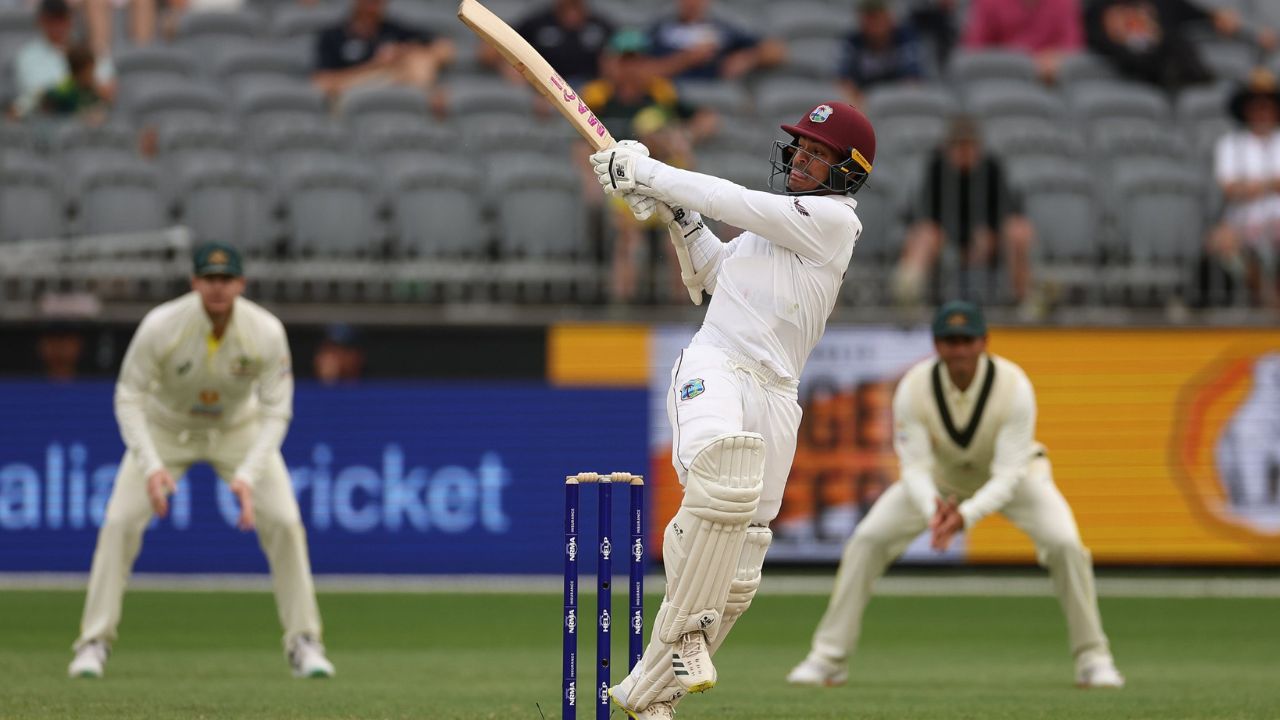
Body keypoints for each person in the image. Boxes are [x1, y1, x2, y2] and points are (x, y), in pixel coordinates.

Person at [589, 100, 875, 718]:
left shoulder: (831, 224)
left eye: (818, 153)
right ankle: (685, 629)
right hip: (715, 363)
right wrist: (677, 215)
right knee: (722, 484)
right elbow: (715, 272)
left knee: (744, 560)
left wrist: (648, 172)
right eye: (801, 147)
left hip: (777, 392)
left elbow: (733, 200)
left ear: (848, 171)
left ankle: (648, 698)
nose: (802, 158)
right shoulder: (778, 230)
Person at [786, 301, 1125, 690]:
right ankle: (828, 659)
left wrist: (965, 516)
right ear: (937, 345)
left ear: (983, 343)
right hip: (942, 482)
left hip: (1019, 478)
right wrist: (935, 507)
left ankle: (1094, 659)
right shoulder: (914, 386)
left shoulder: (1014, 386)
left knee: (1065, 544)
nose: (959, 350)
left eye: (967, 340)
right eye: (950, 341)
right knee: (867, 540)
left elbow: (1009, 472)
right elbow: (913, 467)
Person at [67, 242, 334, 680]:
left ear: (241, 284)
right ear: (194, 283)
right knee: (118, 523)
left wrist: (248, 474)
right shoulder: (161, 325)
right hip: (165, 428)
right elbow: (129, 396)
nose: (217, 288)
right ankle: (93, 643)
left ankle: (304, 642)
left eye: (226, 279)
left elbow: (276, 410)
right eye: (209, 279)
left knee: (285, 521)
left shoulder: (265, 331)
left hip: (237, 430)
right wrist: (151, 466)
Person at [583, 28, 718, 303]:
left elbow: (707, 119)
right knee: (628, 242)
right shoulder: (598, 96)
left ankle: (682, 309)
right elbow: (581, 142)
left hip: (663, 180)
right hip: (623, 184)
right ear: (613, 62)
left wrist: (685, 137)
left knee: (679, 245)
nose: (632, 67)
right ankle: (622, 309)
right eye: (625, 60)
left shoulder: (660, 93)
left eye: (637, 60)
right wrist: (592, 179)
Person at [894, 115, 1034, 306]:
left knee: (1019, 230)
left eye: (970, 146)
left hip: (988, 246)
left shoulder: (992, 168)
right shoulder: (937, 168)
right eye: (959, 146)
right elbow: (923, 215)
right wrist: (950, 241)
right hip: (945, 242)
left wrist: (990, 236)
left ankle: (1024, 303)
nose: (965, 152)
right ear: (949, 148)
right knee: (923, 235)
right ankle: (907, 300)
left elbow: (1009, 211)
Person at [1207, 69, 1280, 306]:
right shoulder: (1231, 144)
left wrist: (1252, 186)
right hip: (1242, 221)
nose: (1262, 112)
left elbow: (1243, 187)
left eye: (1267, 105)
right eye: (1256, 106)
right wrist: (1272, 184)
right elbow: (1230, 188)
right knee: (1221, 242)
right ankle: (1269, 301)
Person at [312, 0, 454, 103]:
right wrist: (376, 64)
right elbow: (323, 83)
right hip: (354, 91)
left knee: (419, 60)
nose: (372, 5)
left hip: (398, 87)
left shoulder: (394, 29)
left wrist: (401, 51)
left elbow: (445, 49)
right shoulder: (333, 35)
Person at [11, 0, 114, 117]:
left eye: (61, 18)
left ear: (70, 19)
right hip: (48, 122)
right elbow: (39, 98)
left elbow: (109, 90)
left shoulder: (90, 49)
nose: (57, 25)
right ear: (41, 21)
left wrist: (87, 84)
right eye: (51, 19)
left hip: (91, 120)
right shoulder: (27, 56)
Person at [479, 0, 615, 88]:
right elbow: (489, 50)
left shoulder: (601, 25)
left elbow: (624, 56)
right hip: (546, 91)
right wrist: (507, 67)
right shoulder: (537, 23)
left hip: (590, 94)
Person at [647, 0, 784, 81]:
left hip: (716, 96)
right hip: (672, 93)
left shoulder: (722, 30)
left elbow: (776, 51)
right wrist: (686, 59)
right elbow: (637, 71)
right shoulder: (661, 31)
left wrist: (748, 58)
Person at [961, 0, 1082, 84]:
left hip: (1047, 84)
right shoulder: (989, 3)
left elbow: (1072, 45)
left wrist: (1055, 57)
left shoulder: (1063, 3)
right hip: (999, 80)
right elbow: (974, 49)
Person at [839, 0, 925, 106]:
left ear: (889, 17)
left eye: (877, 16)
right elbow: (844, 82)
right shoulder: (853, 42)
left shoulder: (905, 38)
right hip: (864, 102)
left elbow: (912, 81)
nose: (873, 23)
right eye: (868, 17)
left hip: (896, 102)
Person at [38, 43, 110, 122]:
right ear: (78, 73)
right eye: (89, 72)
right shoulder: (63, 93)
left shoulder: (92, 92)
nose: (92, 76)